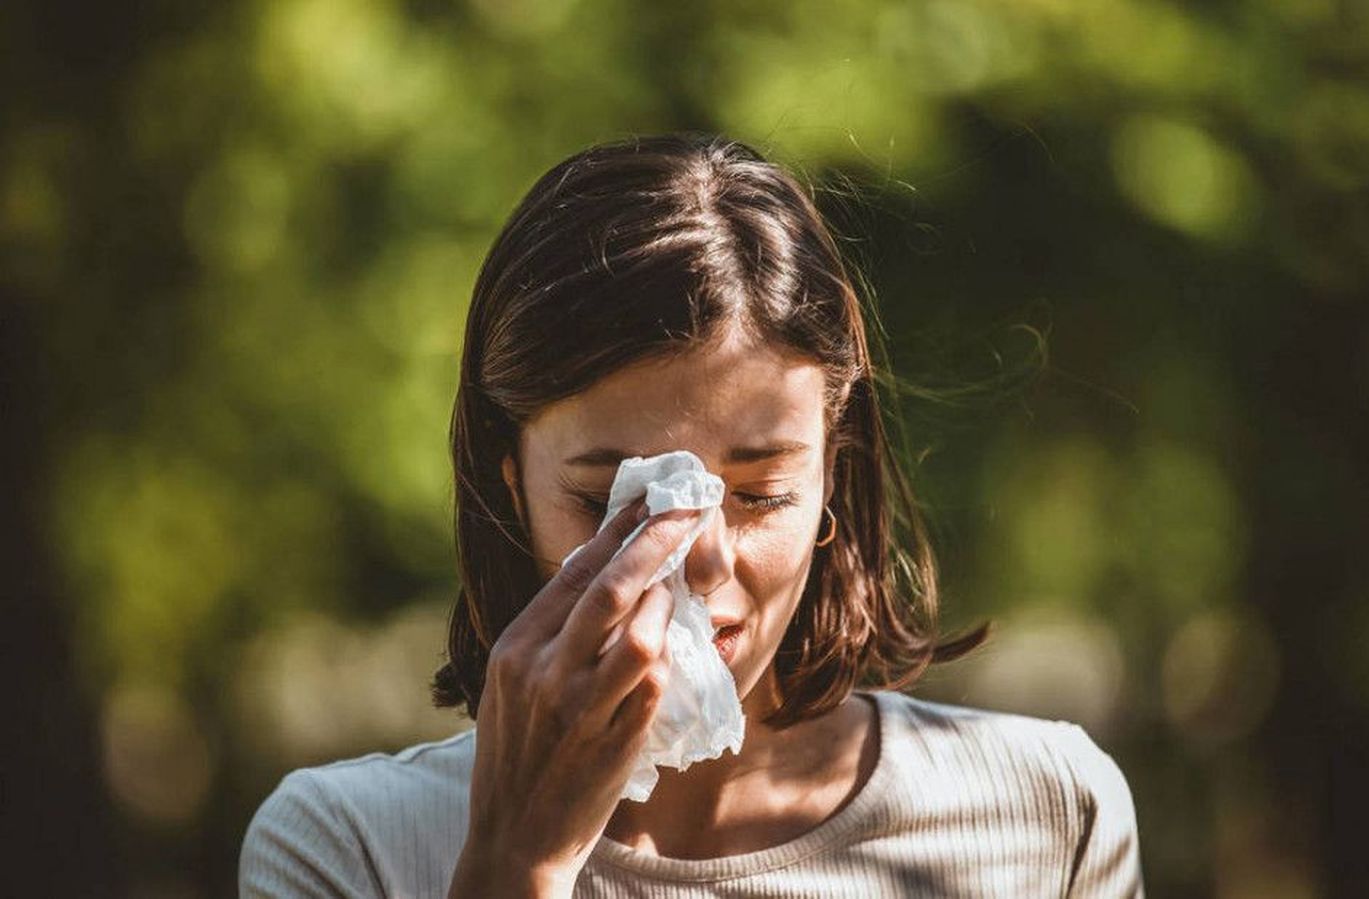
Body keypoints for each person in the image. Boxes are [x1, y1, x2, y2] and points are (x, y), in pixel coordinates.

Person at [239, 131, 1144, 898]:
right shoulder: (347, 848)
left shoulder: (1046, 812)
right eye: (612, 500)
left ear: (836, 471)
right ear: (508, 481)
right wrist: (513, 864)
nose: (699, 560)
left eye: (758, 494)